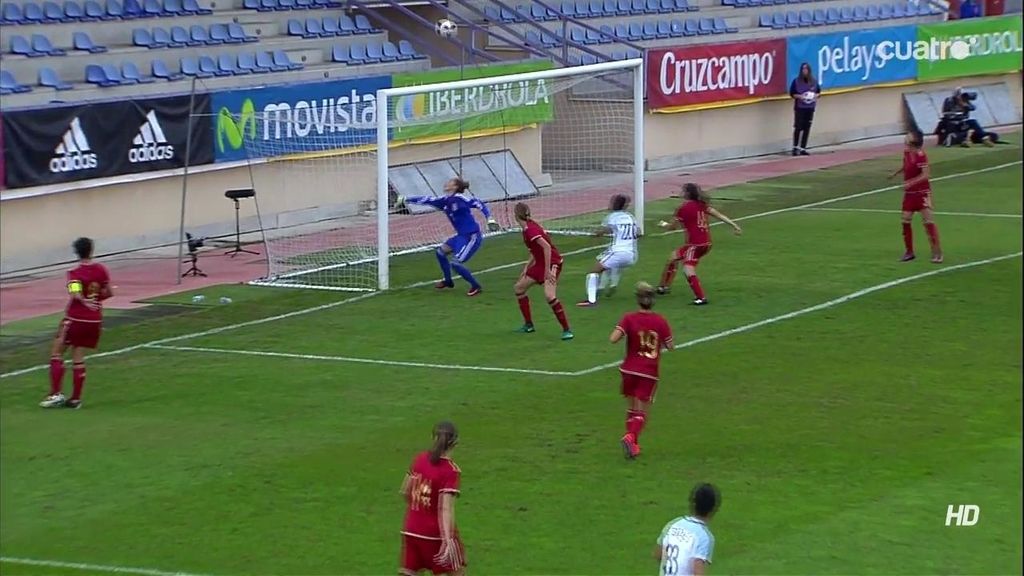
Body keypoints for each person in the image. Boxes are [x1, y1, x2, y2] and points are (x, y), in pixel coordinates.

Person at [40, 237, 112, 410]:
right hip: (94, 320)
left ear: (76, 252)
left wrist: (84, 301)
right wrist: (95, 300)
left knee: (57, 353)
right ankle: (76, 399)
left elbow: (75, 293)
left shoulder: (74, 273)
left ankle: (56, 394)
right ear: (91, 250)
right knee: (78, 356)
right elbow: (108, 292)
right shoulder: (101, 270)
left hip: (76, 318)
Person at [397, 177, 499, 297]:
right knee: (440, 252)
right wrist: (406, 199)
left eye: (450, 182)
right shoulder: (444, 200)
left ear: (455, 187)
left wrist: (490, 218)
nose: (446, 183)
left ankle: (476, 286)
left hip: (472, 236)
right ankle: (448, 281)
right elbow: (426, 199)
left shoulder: (460, 199)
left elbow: (478, 203)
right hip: (461, 237)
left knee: (456, 263)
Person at [610, 282, 673, 460]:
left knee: (631, 408)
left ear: (637, 299)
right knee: (642, 412)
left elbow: (613, 338)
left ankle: (634, 446)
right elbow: (671, 345)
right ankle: (631, 437)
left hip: (628, 369)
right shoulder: (660, 321)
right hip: (648, 371)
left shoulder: (628, 318)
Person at [656, 183, 742, 305]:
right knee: (673, 257)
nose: (681, 193)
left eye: (683, 191)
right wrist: (734, 225)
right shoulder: (702, 205)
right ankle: (663, 287)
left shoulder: (682, 208)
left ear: (687, 193)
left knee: (687, 269)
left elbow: (672, 227)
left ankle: (701, 297)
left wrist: (664, 224)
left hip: (695, 245)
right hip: (706, 243)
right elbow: (719, 215)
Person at [400, 421, 466, 576]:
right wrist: (448, 539)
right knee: (457, 572)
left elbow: (404, 491)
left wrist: (419, 508)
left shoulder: (420, 459)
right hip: (435, 534)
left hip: (411, 530)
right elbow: (445, 508)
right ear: (455, 442)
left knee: (408, 572)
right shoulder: (451, 470)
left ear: (433, 438)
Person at [513, 202, 573, 340]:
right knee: (519, 288)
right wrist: (526, 267)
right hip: (541, 263)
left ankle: (567, 329)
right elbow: (535, 251)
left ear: (516, 216)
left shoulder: (530, 230)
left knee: (549, 296)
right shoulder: (529, 227)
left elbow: (546, 248)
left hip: (552, 263)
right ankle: (529, 325)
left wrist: (547, 271)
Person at [890, 130, 943, 263]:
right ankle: (909, 252)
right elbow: (906, 166)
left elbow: (926, 174)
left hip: (922, 193)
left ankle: (937, 252)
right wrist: (895, 173)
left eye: (909, 135)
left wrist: (910, 182)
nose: (906, 137)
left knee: (928, 222)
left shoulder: (921, 155)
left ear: (915, 140)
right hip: (909, 194)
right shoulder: (907, 153)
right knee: (905, 220)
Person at [578, 194, 638, 307]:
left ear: (614, 204)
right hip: (630, 253)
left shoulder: (612, 217)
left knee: (593, 271)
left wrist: (596, 234)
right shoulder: (630, 217)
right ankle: (608, 284)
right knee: (604, 264)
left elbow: (603, 231)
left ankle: (591, 300)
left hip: (618, 252)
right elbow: (637, 232)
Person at [655, 483, 720, 576]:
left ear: (693, 503)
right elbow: (697, 570)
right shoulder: (704, 536)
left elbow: (658, 554)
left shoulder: (673, 524)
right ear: (713, 509)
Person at [789, 62, 821, 156]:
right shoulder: (796, 81)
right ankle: (795, 148)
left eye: (806, 69)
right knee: (798, 127)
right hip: (800, 107)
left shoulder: (814, 81)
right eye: (803, 69)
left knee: (807, 127)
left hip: (810, 108)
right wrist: (800, 96)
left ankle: (803, 148)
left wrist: (815, 96)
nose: (805, 71)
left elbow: (819, 92)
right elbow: (792, 93)